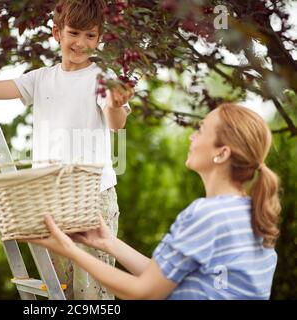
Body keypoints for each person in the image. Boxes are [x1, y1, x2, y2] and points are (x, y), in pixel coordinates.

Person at [0, 0, 134, 300]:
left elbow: (116, 124)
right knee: (59, 291)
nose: (81, 43)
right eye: (74, 33)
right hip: (49, 198)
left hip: (91, 197)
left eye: (90, 36)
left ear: (99, 38)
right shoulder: (41, 78)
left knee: (91, 294)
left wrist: (115, 103)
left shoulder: (100, 78)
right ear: (57, 33)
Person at [29, 103, 281, 300]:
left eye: (201, 130)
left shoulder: (208, 215)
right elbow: (161, 276)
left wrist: (69, 249)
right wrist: (109, 243)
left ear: (222, 153)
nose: (192, 137)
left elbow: (144, 292)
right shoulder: (247, 212)